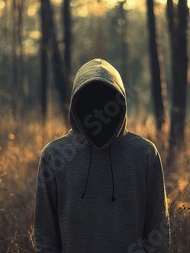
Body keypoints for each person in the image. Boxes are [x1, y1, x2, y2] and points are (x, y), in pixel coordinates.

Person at [34, 58, 170, 252]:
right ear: (77, 103)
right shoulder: (54, 156)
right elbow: (45, 235)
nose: (98, 109)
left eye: (106, 99)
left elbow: (158, 229)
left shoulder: (144, 154)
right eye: (90, 99)